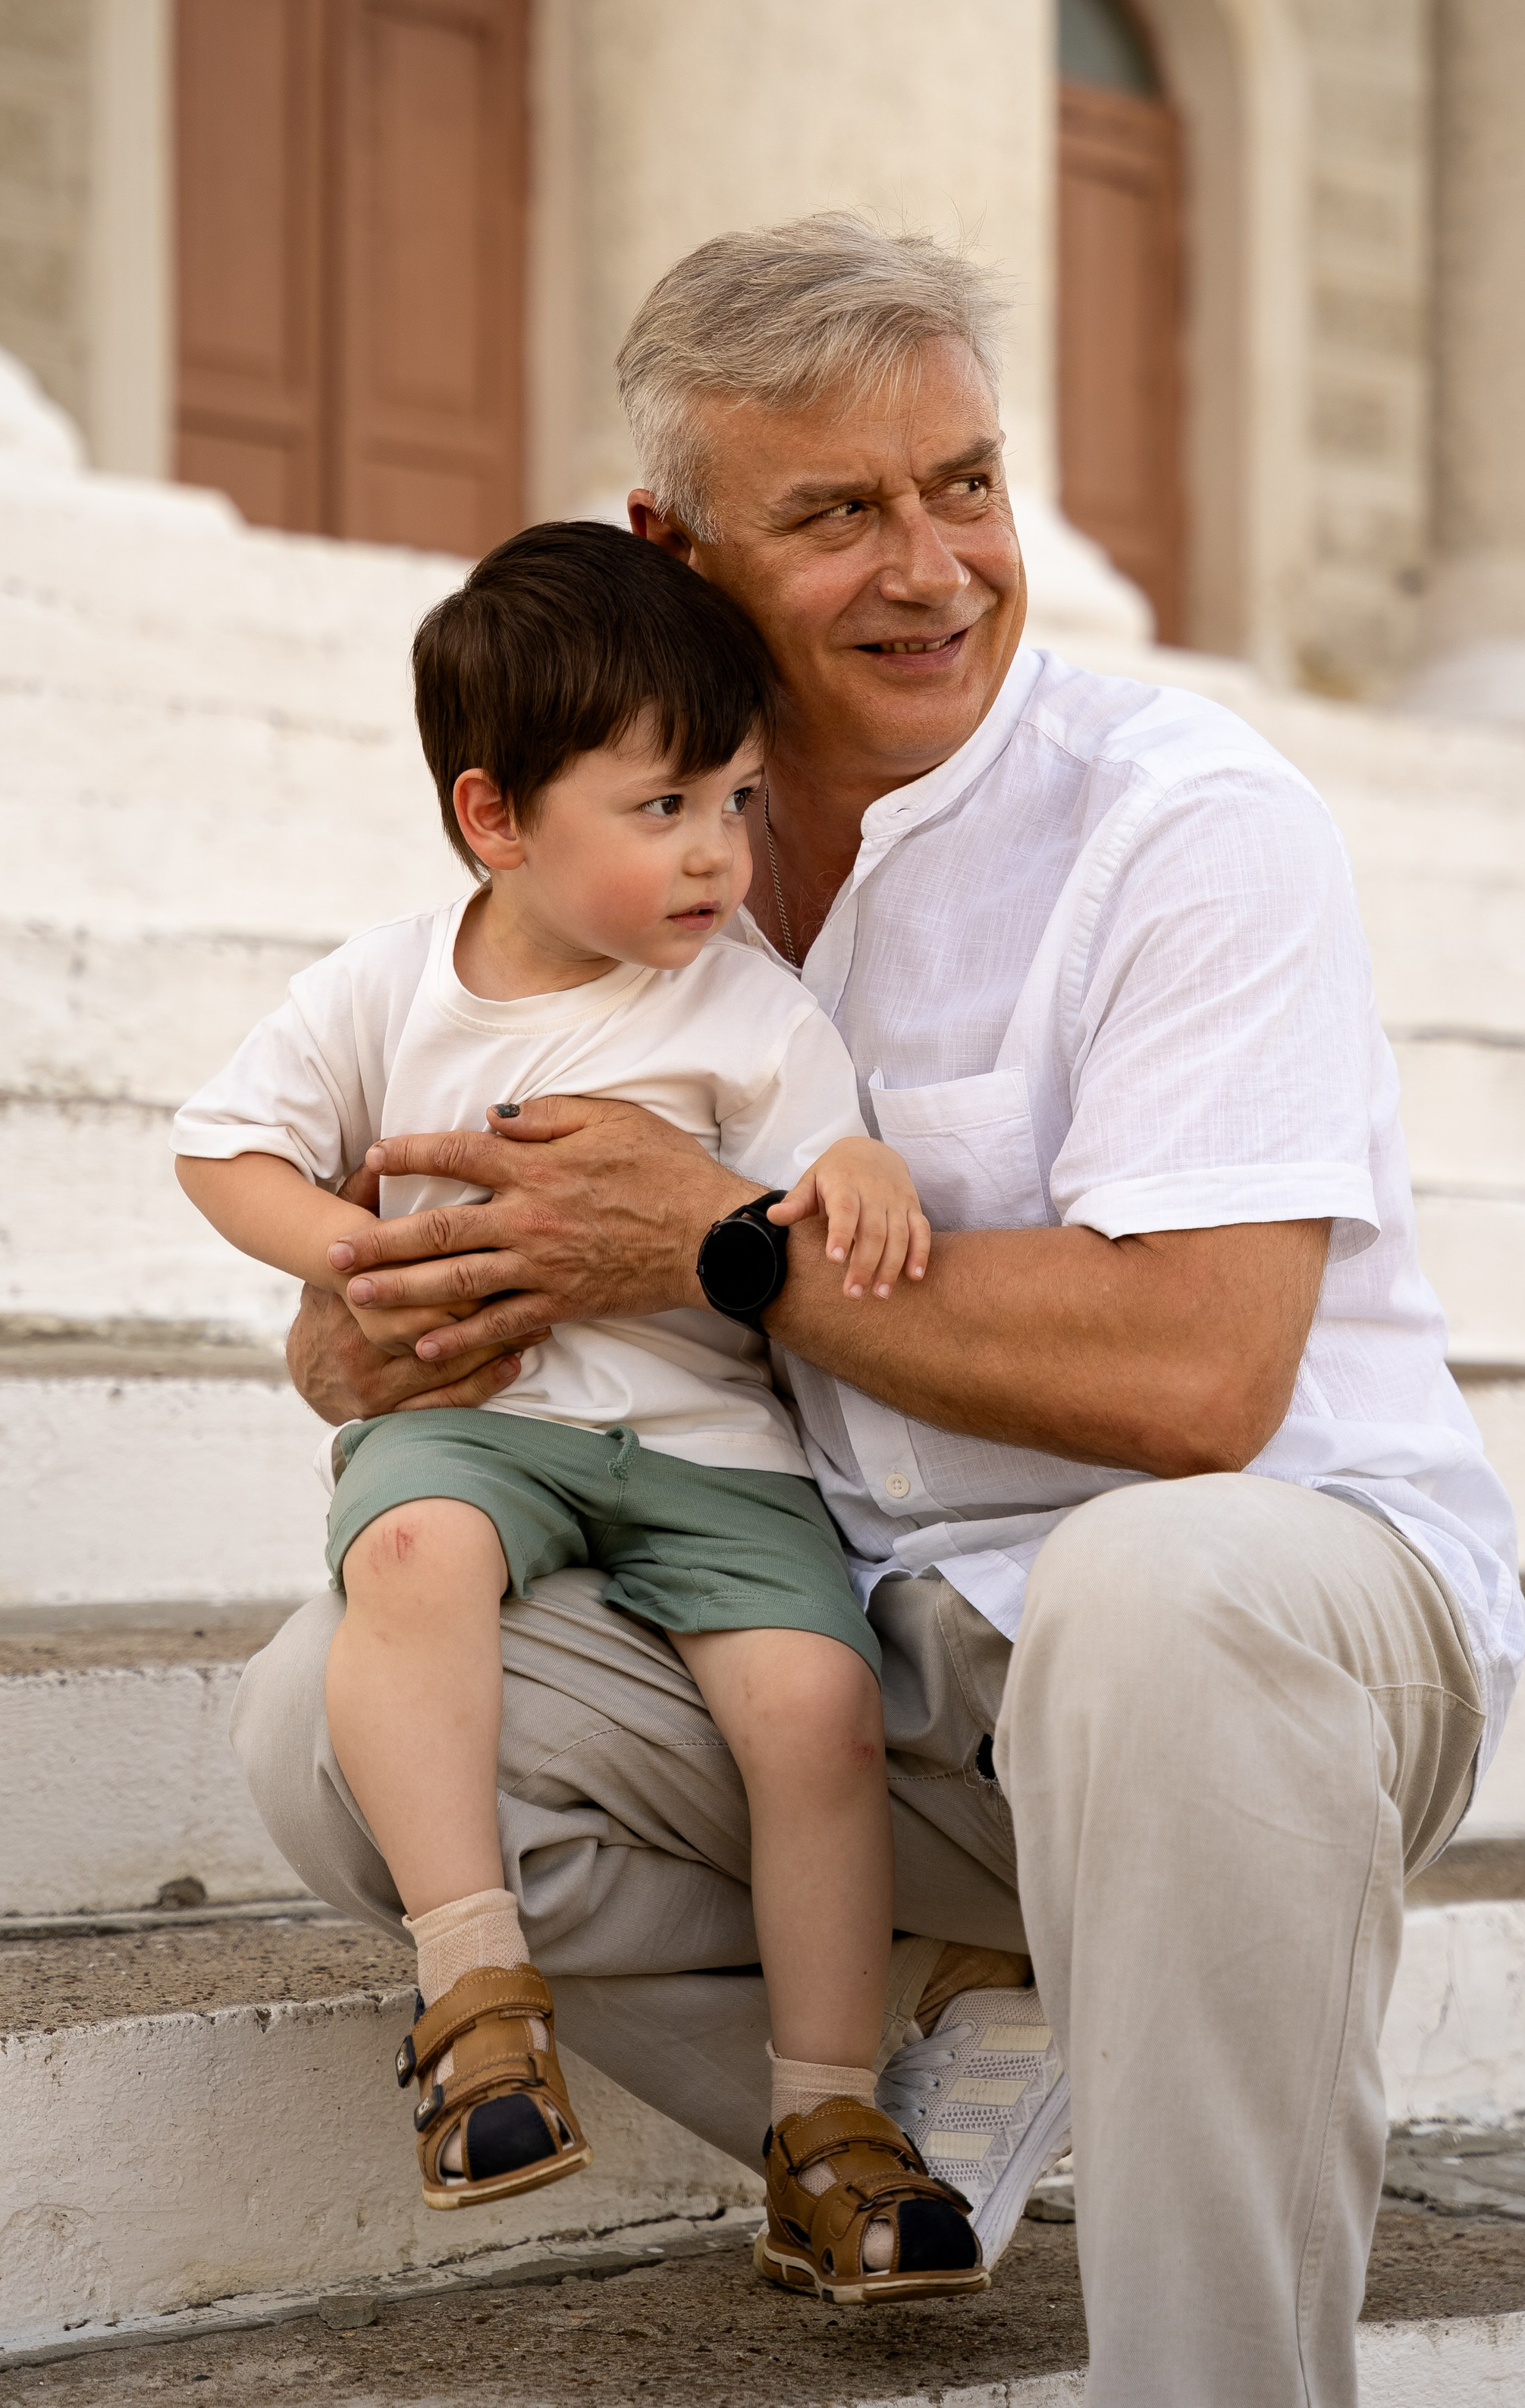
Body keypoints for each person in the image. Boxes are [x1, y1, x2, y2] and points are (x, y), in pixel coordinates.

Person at [232, 215, 1525, 2407]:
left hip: (1276, 1627)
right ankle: (898, 2109)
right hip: (865, 1655)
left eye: (968, 485)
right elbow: (409, 1267)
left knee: (1149, 1593)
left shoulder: (1185, 824)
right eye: (838, 511)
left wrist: (719, 1242)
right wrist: (367, 1329)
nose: (935, 570)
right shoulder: (618, 875)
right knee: (329, 1723)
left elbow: (1201, 1379)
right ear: (674, 547)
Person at [175, 521, 987, 2303]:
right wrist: (351, 1258)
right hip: (483, 1418)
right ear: (495, 818)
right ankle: (475, 1986)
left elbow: (816, 1162)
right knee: (408, 1551)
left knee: (816, 1711)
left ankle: (828, 2119)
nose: (714, 853)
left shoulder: (744, 1005)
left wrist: (859, 1170)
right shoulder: (385, 988)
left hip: (709, 1451)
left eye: (735, 801)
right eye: (661, 807)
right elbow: (224, 1147)